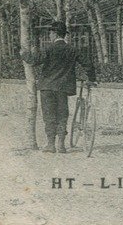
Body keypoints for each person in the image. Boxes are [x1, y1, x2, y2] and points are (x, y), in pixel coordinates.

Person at [20, 21, 96, 153]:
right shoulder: (72, 50)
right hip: (63, 88)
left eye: (50, 33)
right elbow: (88, 63)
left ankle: (51, 144)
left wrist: (23, 54)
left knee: (49, 115)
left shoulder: (49, 49)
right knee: (62, 114)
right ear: (64, 35)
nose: (49, 36)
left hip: (47, 87)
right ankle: (61, 144)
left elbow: (34, 60)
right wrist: (91, 79)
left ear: (54, 33)